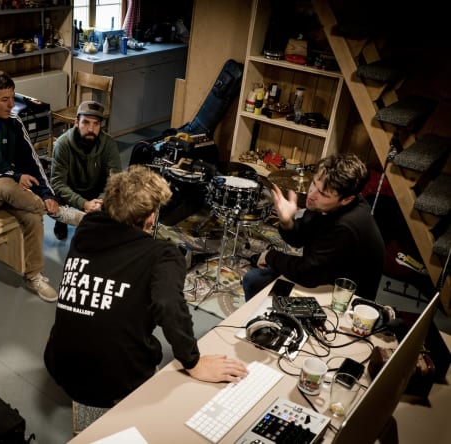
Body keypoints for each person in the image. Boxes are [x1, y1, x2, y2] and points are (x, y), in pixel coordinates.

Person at [44, 165, 248, 414]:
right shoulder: (163, 256)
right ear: (151, 217)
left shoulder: (84, 232)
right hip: (116, 384)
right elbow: (168, 305)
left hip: (60, 366)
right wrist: (192, 362)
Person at [0, 68, 82, 302]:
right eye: (4, 99)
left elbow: (31, 161)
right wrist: (15, 175)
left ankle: (33, 275)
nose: (11, 104)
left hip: (9, 190)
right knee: (6, 184)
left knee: (32, 217)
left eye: (13, 97)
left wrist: (46, 193)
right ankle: (59, 213)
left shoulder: (13, 121)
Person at [242, 153, 385, 301]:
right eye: (314, 183)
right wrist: (287, 222)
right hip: (323, 272)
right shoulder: (325, 204)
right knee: (255, 279)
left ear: (347, 199)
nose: (311, 195)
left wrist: (270, 256)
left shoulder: (345, 227)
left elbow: (308, 274)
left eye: (323, 193)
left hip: (345, 297)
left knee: (254, 280)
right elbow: (300, 237)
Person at [49, 100, 122, 240]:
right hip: (70, 188)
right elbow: (58, 183)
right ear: (76, 122)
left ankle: (98, 224)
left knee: (118, 194)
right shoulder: (62, 144)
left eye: (96, 124)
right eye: (86, 122)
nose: (91, 129)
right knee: (55, 194)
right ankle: (61, 223)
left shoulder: (109, 144)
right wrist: (83, 203)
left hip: (96, 190)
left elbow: (116, 180)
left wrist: (100, 201)